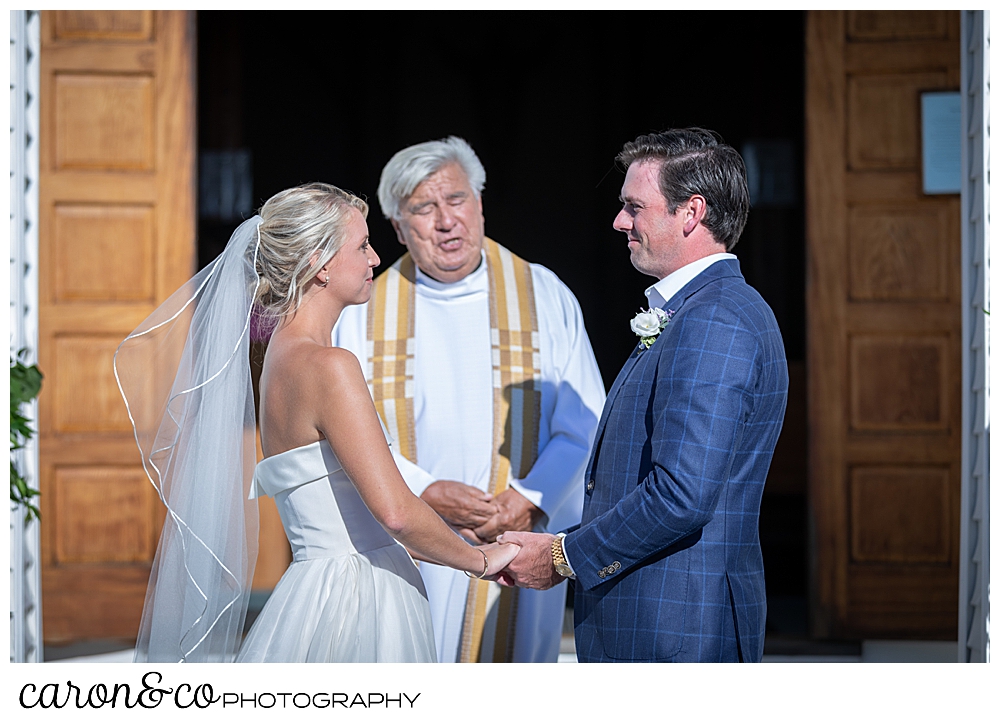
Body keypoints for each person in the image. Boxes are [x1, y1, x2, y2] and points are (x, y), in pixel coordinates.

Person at [116, 182, 519, 663]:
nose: (374, 259)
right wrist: (482, 559)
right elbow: (395, 513)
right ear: (320, 265)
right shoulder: (330, 366)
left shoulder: (275, 363)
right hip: (360, 598)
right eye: (362, 246)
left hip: (309, 593)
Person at [499, 128, 789, 663]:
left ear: (691, 213)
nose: (619, 221)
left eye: (634, 206)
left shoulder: (716, 318)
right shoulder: (700, 310)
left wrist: (563, 556)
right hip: (660, 621)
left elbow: (681, 495)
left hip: (674, 629)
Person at [332, 137, 606, 662]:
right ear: (396, 227)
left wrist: (528, 499)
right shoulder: (362, 313)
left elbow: (585, 421)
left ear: (480, 203)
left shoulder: (544, 294)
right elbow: (344, 429)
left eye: (456, 200)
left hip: (521, 535)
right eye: (423, 208)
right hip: (410, 541)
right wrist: (424, 490)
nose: (445, 221)